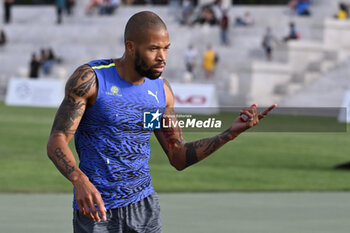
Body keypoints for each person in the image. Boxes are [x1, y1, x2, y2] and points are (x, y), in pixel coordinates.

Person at [47, 11, 276, 233]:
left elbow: (177, 155)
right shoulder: (91, 79)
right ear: (130, 47)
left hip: (144, 209)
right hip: (97, 210)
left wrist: (230, 133)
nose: (162, 57)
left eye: (166, 48)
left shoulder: (160, 91)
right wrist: (79, 180)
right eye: (154, 49)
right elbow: (57, 140)